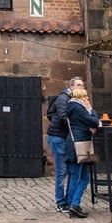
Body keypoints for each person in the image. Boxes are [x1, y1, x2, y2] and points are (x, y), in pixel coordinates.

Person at [46, 76, 85, 212]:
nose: (81, 87)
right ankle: (61, 202)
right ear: (71, 86)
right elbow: (64, 117)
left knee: (69, 170)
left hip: (66, 137)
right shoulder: (64, 98)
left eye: (82, 85)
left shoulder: (74, 99)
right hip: (58, 137)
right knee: (61, 171)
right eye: (79, 85)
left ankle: (68, 201)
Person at [64, 85, 100, 219]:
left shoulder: (73, 108)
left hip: (76, 144)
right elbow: (94, 121)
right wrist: (91, 110)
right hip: (79, 146)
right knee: (81, 177)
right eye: (85, 96)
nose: (87, 99)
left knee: (80, 176)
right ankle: (73, 205)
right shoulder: (79, 108)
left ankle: (73, 204)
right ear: (80, 97)